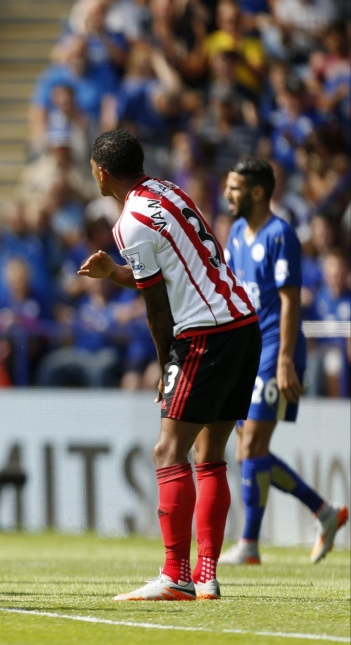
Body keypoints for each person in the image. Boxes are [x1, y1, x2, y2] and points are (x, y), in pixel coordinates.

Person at [78, 130, 259, 602]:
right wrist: (113, 273)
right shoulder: (170, 191)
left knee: (167, 451)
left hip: (205, 335)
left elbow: (157, 309)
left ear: (101, 171)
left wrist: (166, 368)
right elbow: (180, 268)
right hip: (242, 323)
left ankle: (175, 574)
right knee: (210, 454)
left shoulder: (128, 222)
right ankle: (206, 576)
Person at [217, 158, 348, 566]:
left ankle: (249, 544)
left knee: (253, 442)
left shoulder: (281, 235)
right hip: (246, 350)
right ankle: (325, 512)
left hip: (276, 349)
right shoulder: (237, 233)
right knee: (246, 450)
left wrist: (286, 359)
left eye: (234, 188)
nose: (227, 194)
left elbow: (290, 299)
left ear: (258, 192)